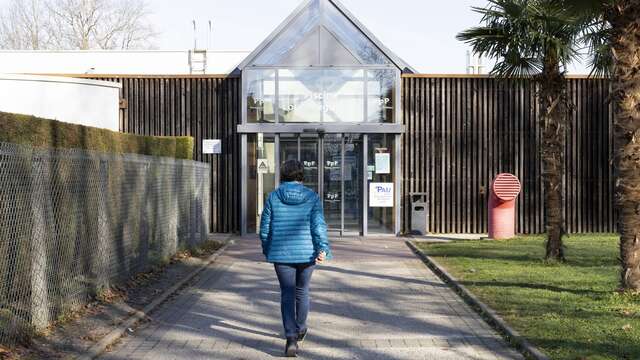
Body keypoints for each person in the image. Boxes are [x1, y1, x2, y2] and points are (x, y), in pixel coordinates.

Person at [259, 159, 332, 357]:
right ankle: (300, 328)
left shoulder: (273, 197)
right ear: (301, 175)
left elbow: (264, 228)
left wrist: (268, 249)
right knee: (302, 291)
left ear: (283, 175)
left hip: (281, 254)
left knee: (287, 294)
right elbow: (318, 226)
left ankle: (290, 337)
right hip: (307, 253)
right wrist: (322, 248)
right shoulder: (312, 197)